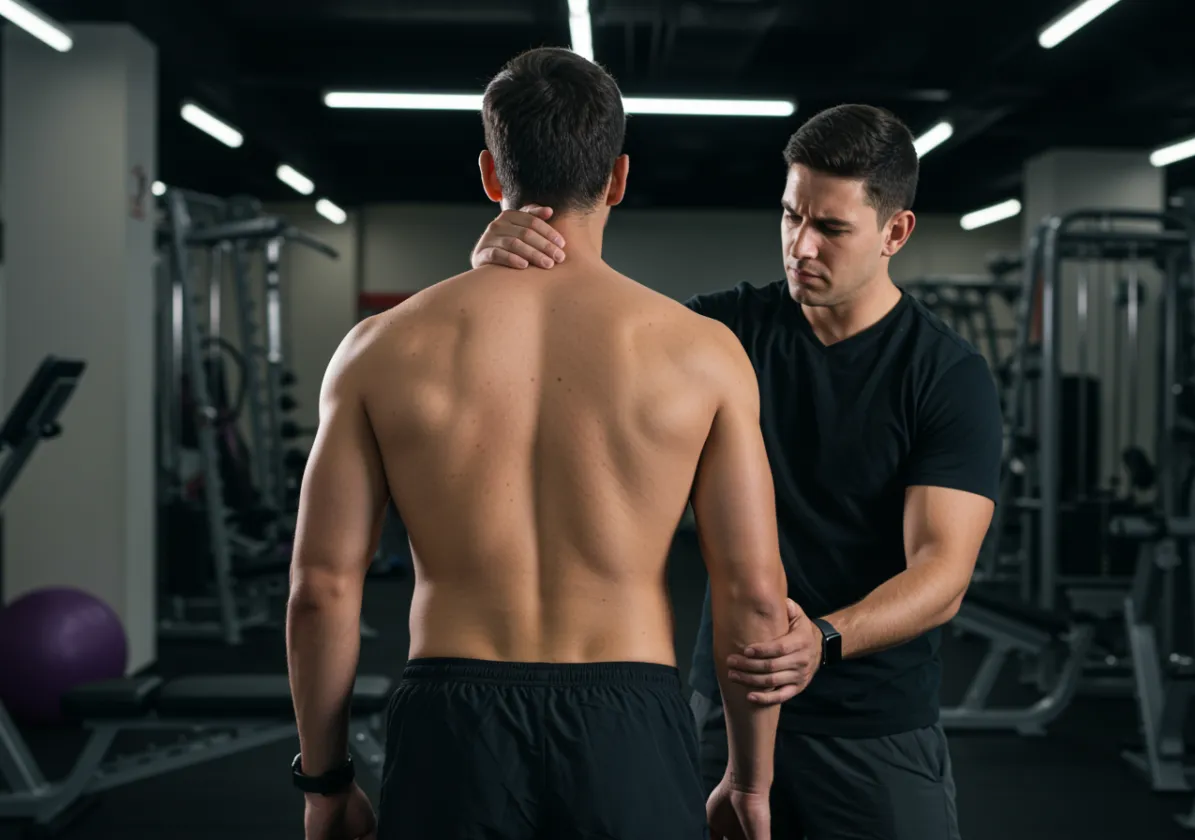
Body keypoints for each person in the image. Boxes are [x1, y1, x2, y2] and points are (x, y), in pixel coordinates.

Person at [285, 46, 791, 840]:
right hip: (628, 717)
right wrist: (749, 780)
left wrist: (325, 783)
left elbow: (320, 588)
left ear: (492, 175)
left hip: (453, 722)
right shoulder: (703, 353)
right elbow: (755, 596)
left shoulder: (379, 348)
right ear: (618, 179)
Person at [469, 103, 1004, 840]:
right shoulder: (720, 335)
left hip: (872, 724)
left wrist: (824, 638)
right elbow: (560, 370)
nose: (800, 246)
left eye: (831, 228)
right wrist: (499, 276)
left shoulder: (944, 374)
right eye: (790, 216)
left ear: (895, 232)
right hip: (725, 710)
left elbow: (942, 571)